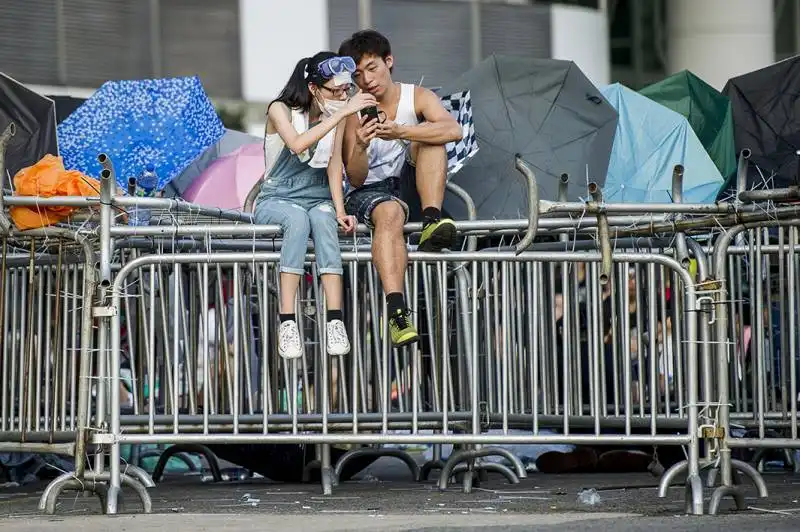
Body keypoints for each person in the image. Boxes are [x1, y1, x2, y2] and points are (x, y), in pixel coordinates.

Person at [337, 30, 463, 348]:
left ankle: (432, 219)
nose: (366, 79)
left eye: (372, 68)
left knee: (431, 136)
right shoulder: (351, 110)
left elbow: (454, 130)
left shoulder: (416, 96)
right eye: (357, 74)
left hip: (408, 183)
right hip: (368, 190)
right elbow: (354, 177)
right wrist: (362, 146)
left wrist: (402, 131)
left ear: (388, 62)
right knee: (389, 211)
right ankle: (396, 312)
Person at [254, 52, 377, 360]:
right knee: (297, 221)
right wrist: (342, 113)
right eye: (334, 91)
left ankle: (335, 319)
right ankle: (287, 320)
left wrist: (339, 209)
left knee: (323, 220)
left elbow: (335, 165)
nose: (342, 95)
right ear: (313, 89)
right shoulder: (279, 110)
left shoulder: (335, 116)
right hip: (277, 198)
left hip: (318, 196)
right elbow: (297, 144)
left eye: (345, 90)